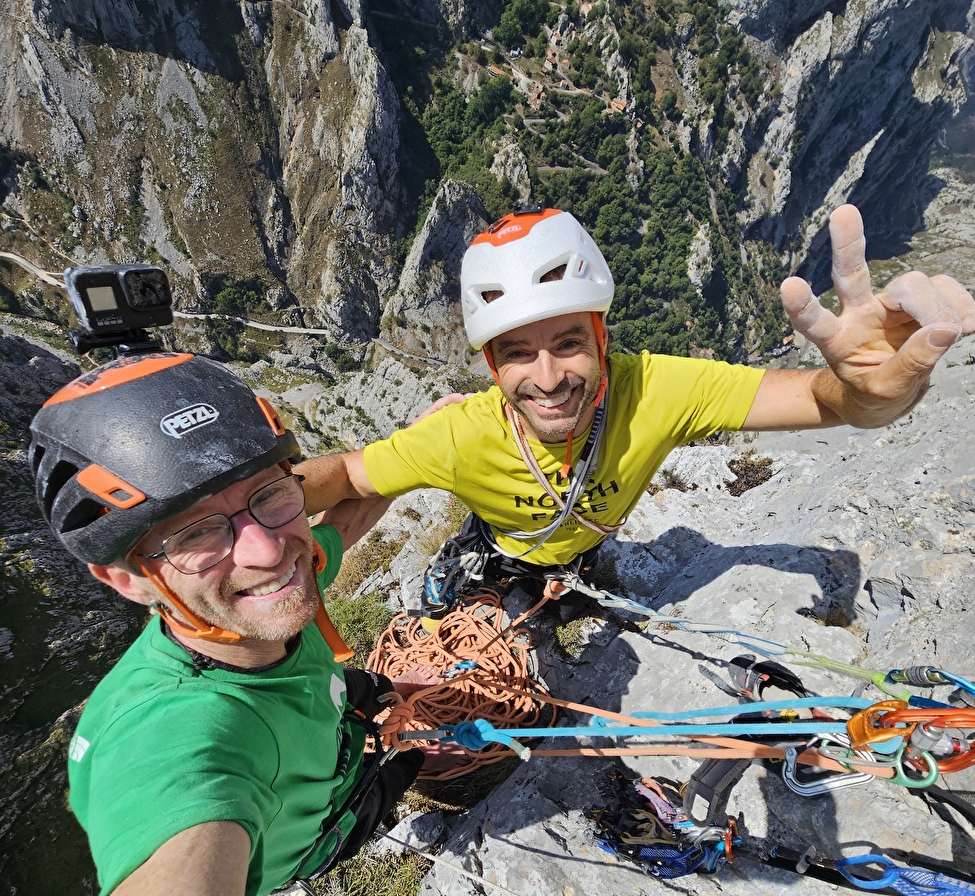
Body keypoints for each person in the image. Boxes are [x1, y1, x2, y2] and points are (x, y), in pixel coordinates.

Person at [0, 353, 420, 896]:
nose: (266, 551)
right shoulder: (182, 737)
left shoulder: (258, 587)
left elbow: (340, 513)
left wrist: (423, 446)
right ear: (125, 580)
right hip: (329, 822)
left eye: (269, 493)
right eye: (195, 531)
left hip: (326, 729)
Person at [296, 204, 975, 618]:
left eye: (568, 344)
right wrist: (248, 502)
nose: (548, 378)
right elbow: (351, 477)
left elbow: (815, 400)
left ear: (602, 340)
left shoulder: (655, 389)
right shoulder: (456, 434)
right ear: (490, 367)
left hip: (589, 551)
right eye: (518, 356)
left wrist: (867, 390)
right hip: (501, 555)